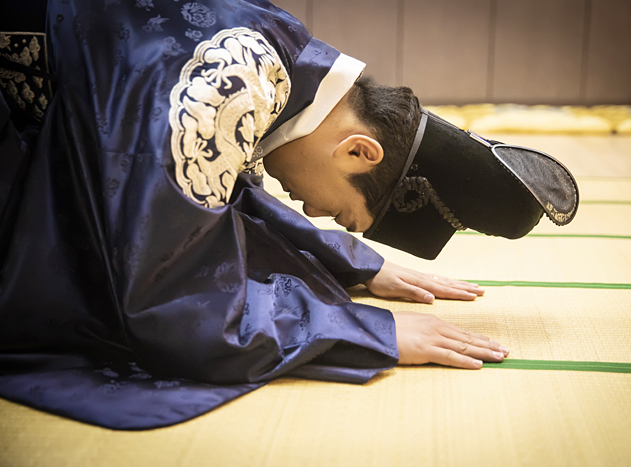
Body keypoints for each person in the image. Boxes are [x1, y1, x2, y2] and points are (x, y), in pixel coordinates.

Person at [0, 0, 577, 429]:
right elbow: (166, 290)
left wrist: (357, 265)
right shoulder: (230, 86)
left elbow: (213, 192)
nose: (312, 212)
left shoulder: (281, 53)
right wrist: (366, 330)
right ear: (359, 152)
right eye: (342, 215)